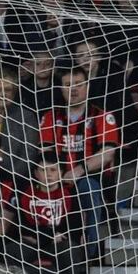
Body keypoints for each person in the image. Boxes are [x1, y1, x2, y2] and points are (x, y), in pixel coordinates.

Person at [40, 66, 119, 261]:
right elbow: (44, 153)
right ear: (60, 88)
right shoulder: (51, 117)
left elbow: (107, 153)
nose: (73, 89)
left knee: (89, 190)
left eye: (78, 84)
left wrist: (80, 170)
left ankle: (92, 255)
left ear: (87, 86)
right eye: (68, 85)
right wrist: (59, 175)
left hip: (91, 179)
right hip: (56, 181)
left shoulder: (101, 115)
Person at [6, 152, 84, 274]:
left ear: (61, 172)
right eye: (43, 170)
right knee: (12, 250)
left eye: (53, 170)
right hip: (32, 245)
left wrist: (40, 236)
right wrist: (50, 236)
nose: (48, 174)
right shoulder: (26, 194)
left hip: (57, 246)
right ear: (36, 173)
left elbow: (74, 227)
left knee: (71, 250)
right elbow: (21, 228)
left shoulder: (70, 194)